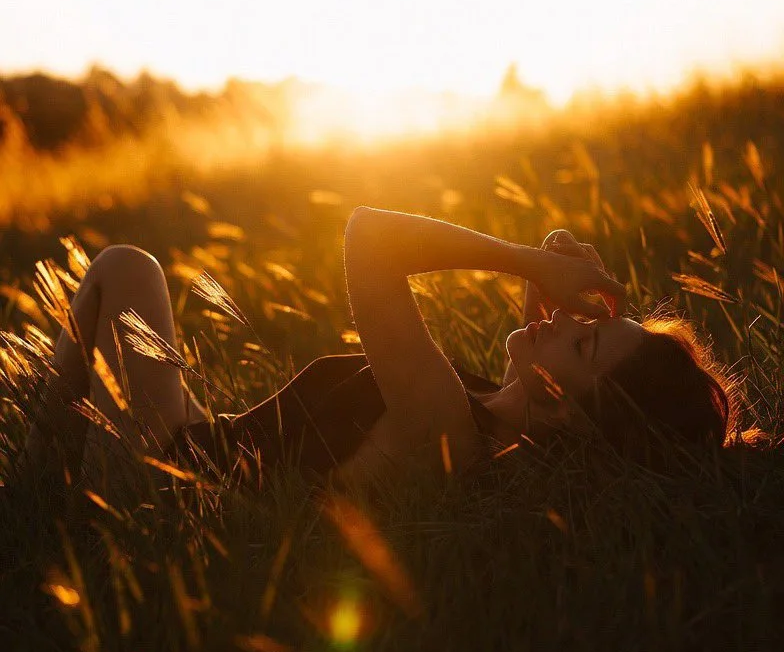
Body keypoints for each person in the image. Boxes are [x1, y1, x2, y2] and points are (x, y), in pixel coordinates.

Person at [21, 208, 744, 499]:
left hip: (169, 481)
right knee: (125, 277)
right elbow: (537, 348)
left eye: (581, 343)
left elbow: (368, 234)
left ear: (565, 412)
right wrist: (554, 266)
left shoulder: (445, 427)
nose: (556, 322)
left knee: (127, 267)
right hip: (203, 441)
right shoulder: (494, 412)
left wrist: (530, 262)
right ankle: (37, 481)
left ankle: (32, 490)